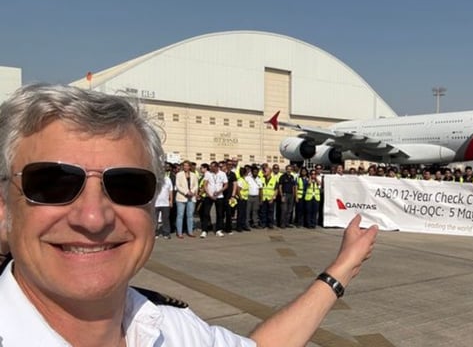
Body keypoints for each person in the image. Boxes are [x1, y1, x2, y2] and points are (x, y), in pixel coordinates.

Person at [0, 83, 378, 347]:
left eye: (128, 186)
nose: (94, 217)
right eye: (52, 184)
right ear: (4, 207)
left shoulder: (169, 328)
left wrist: (342, 269)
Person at [174, 160, 198, 238]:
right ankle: (179, 232)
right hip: (181, 197)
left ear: (190, 167)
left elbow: (196, 185)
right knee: (180, 215)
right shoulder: (179, 174)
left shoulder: (194, 175)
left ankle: (190, 231)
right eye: (184, 166)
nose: (185, 167)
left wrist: (192, 191)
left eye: (187, 166)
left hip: (191, 197)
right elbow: (178, 186)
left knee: (190, 215)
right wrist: (186, 192)